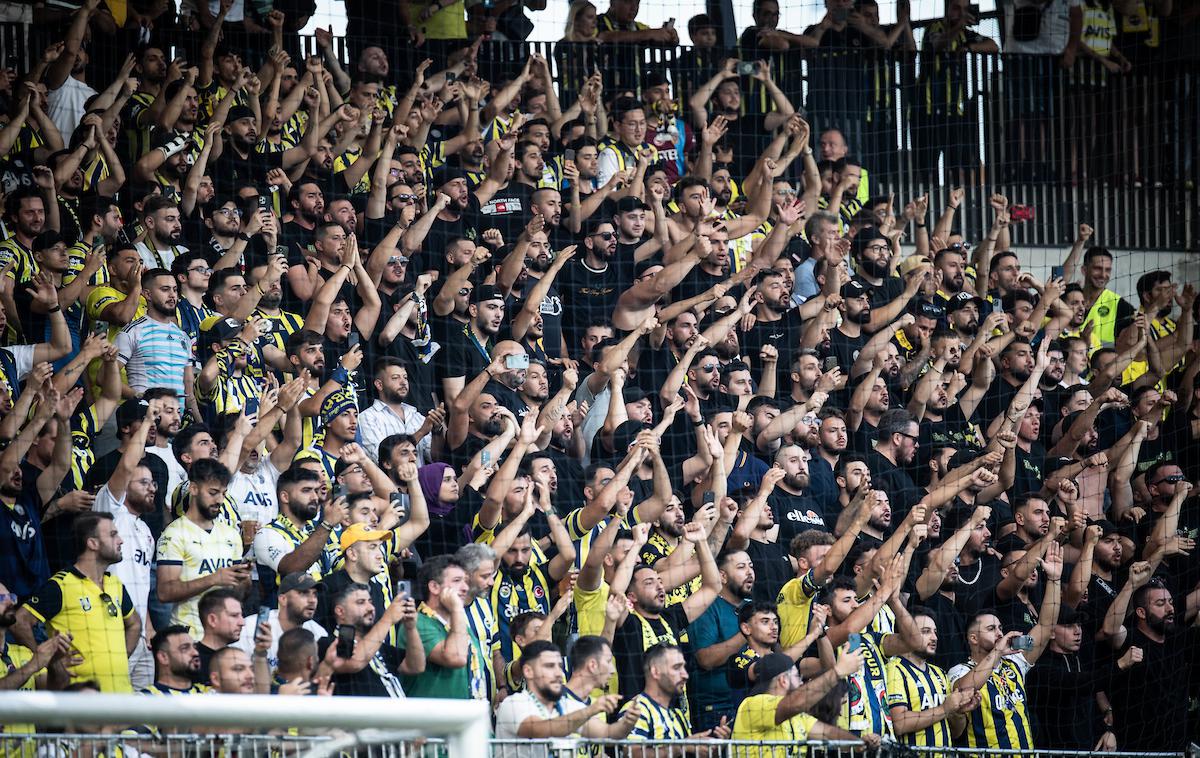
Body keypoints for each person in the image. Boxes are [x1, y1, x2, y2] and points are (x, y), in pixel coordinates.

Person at [12, 512, 141, 692]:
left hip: (122, 697)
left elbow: (135, 623)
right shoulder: (61, 585)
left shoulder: (115, 583)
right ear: (92, 543)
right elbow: (19, 622)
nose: (121, 540)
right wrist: (46, 660)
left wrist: (120, 657)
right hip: (82, 704)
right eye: (113, 535)